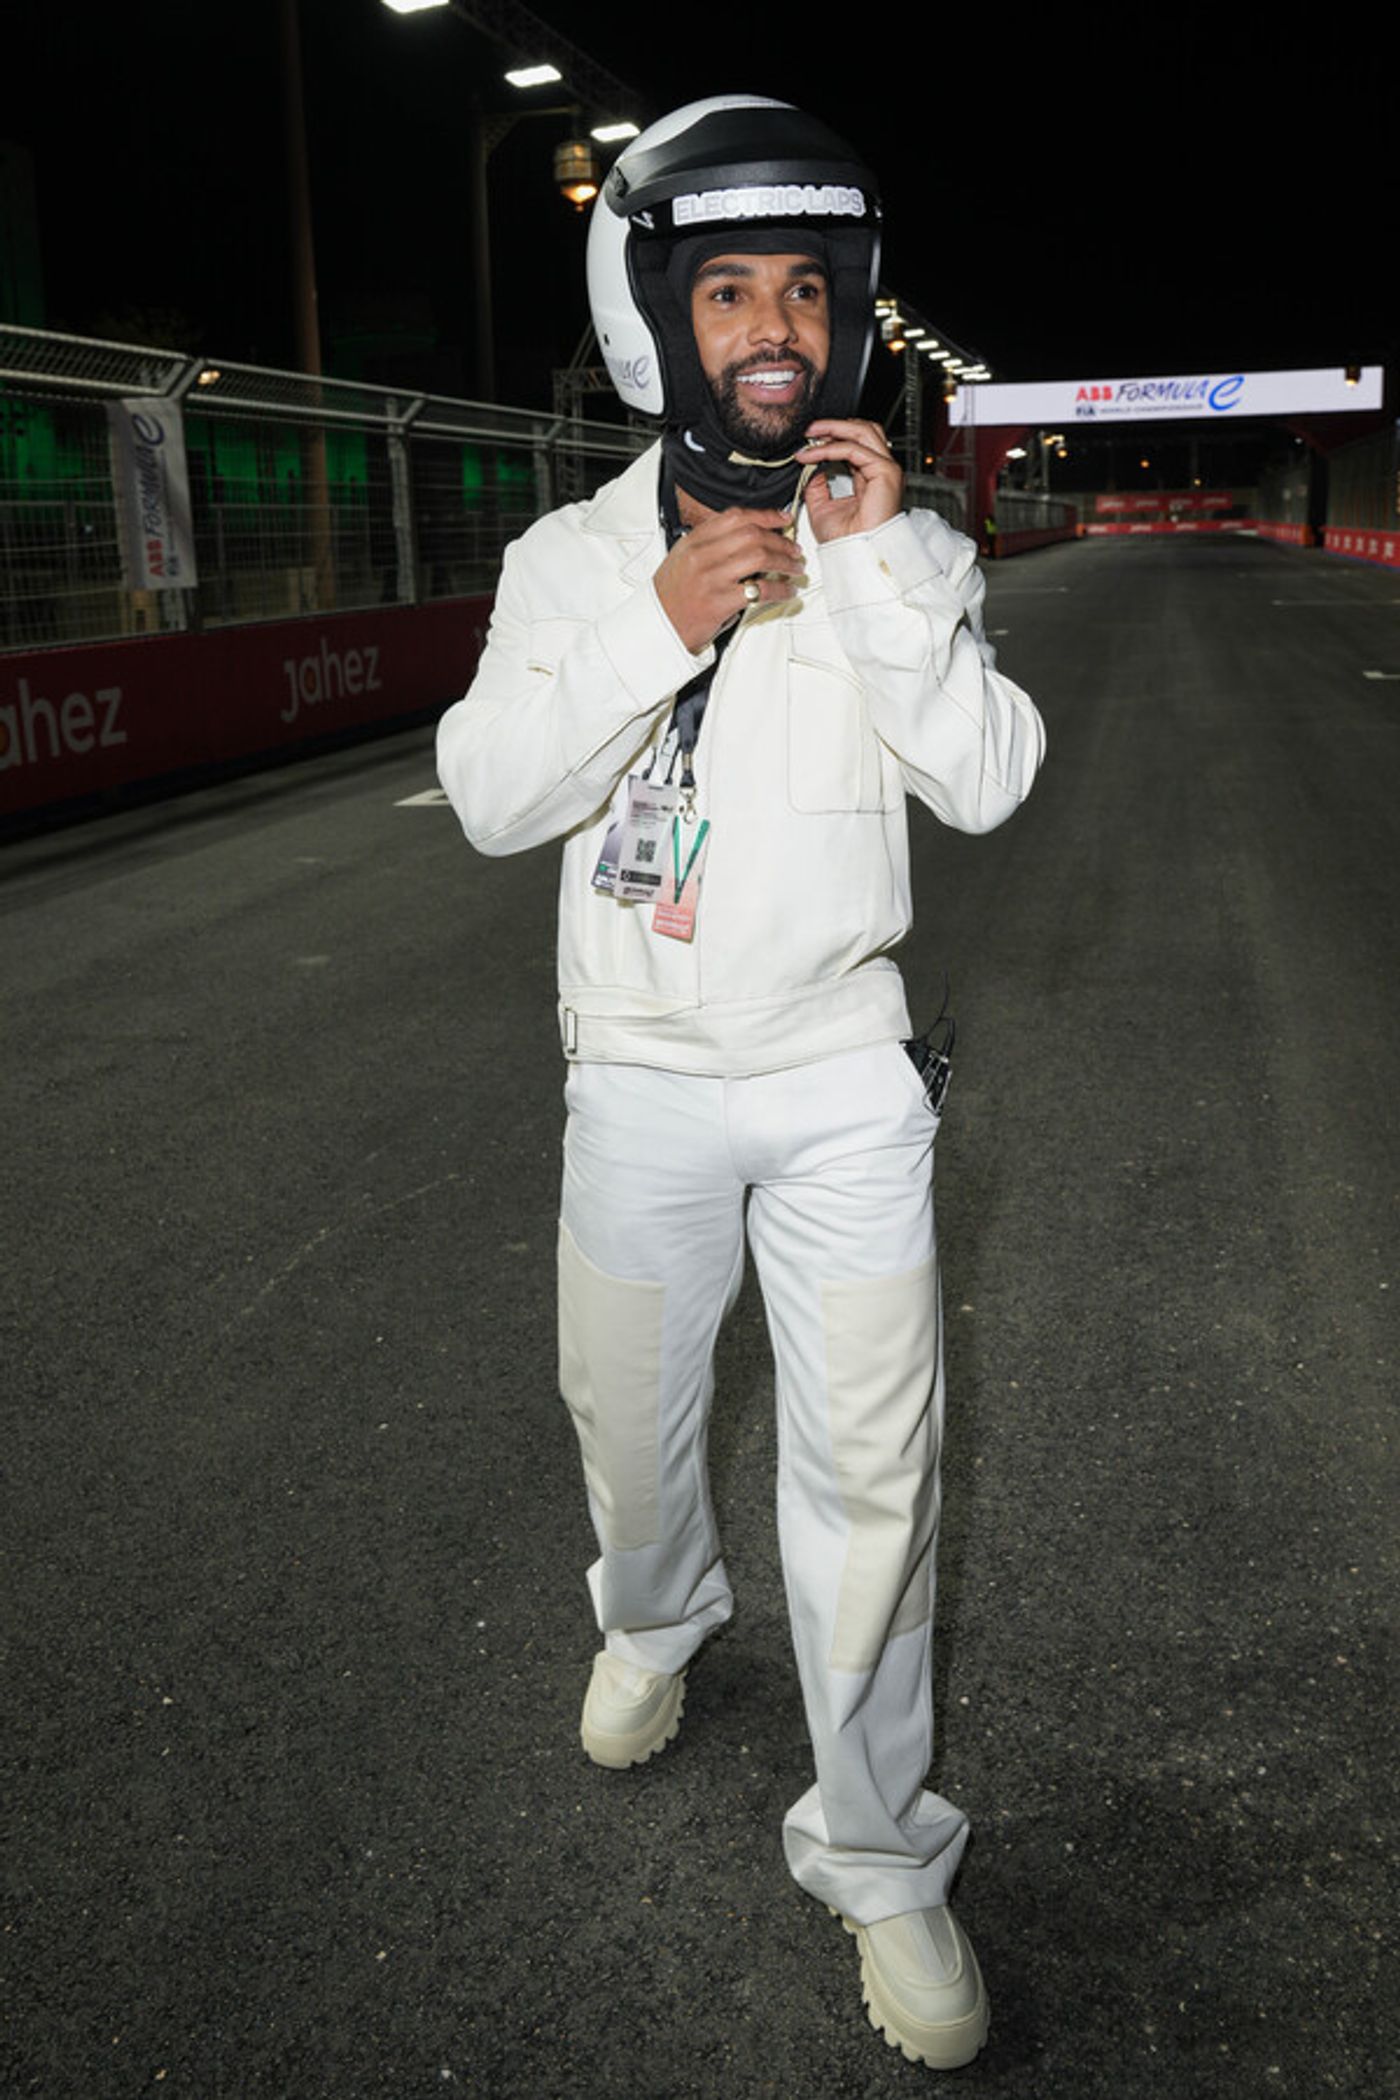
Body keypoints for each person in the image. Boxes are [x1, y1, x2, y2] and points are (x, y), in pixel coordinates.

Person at [437, 95, 1045, 2071]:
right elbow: (489, 794)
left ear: (850, 310)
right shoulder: (569, 557)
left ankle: (878, 1852)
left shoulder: (908, 538)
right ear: (655, 318)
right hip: (637, 1091)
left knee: (875, 1482)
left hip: (847, 1084)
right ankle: (653, 1619)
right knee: (629, 1431)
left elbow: (989, 778)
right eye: (728, 289)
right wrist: (654, 624)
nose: (774, 321)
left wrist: (870, 582)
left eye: (808, 284)